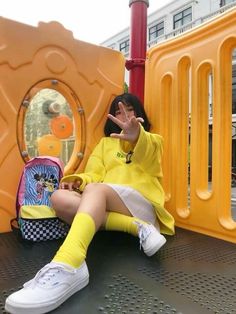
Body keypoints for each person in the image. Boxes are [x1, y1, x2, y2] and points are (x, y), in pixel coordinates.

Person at [5, 93, 175, 314]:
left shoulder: (153, 140)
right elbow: (94, 174)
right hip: (106, 198)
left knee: (96, 191)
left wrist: (136, 137)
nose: (124, 115)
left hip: (142, 203)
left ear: (139, 113)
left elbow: (151, 161)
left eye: (129, 109)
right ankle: (134, 226)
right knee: (58, 197)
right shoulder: (104, 144)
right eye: (117, 112)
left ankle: (69, 263)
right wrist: (78, 181)